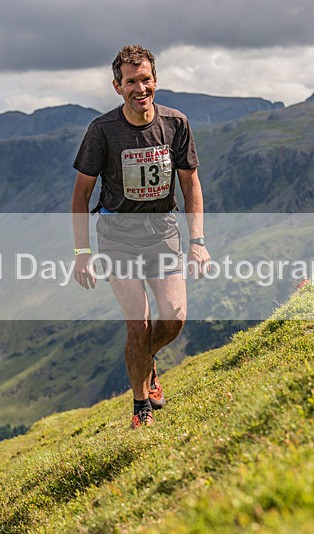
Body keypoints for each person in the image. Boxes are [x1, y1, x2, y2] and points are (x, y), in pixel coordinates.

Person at [71, 45, 210, 429]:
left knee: (175, 318)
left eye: (145, 79)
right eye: (131, 81)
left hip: (163, 231)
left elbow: (190, 185)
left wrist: (197, 241)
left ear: (155, 80)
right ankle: (140, 408)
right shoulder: (102, 131)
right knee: (139, 325)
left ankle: (146, 366)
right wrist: (82, 251)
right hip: (117, 235)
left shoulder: (176, 124)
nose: (140, 87)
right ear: (118, 86)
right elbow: (81, 194)